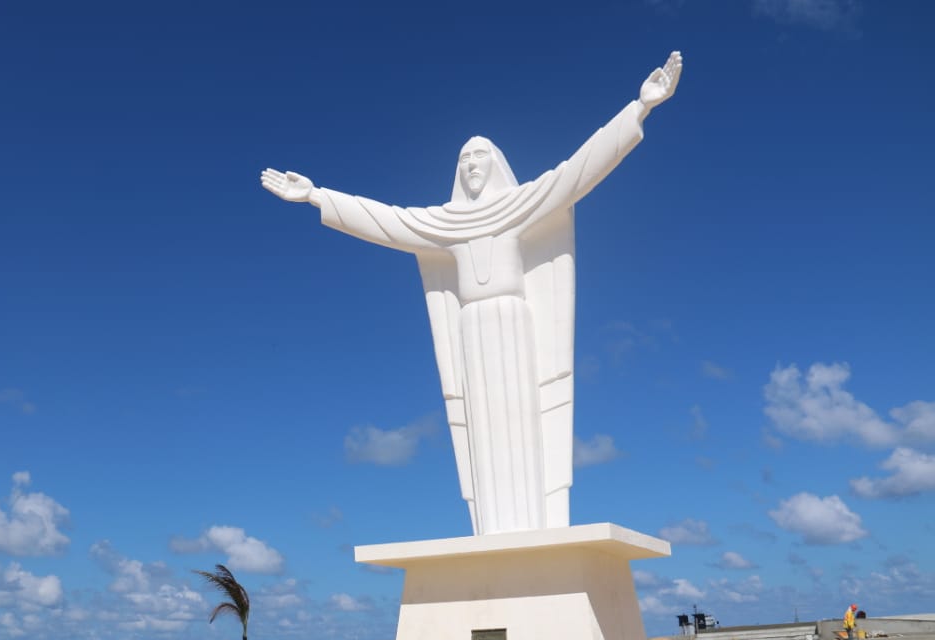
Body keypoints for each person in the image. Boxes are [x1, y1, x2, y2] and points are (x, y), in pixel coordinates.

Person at [261, 53, 682, 535]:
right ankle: (493, 530)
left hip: (512, 323)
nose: (471, 164)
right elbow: (385, 220)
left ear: (496, 163)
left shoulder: (522, 203)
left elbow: (579, 170)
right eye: (463, 158)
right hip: (471, 332)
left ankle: (533, 527)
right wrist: (316, 195)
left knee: (522, 421)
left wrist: (640, 108)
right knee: (483, 430)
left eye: (479, 155)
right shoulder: (444, 223)